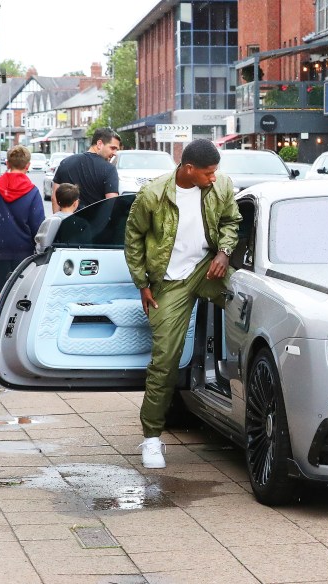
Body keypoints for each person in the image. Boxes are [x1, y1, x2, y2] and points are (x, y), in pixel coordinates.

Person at [124, 139, 241, 469]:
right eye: (208, 173)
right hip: (169, 281)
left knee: (248, 296)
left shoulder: (222, 187)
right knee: (165, 358)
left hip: (208, 266)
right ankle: (151, 439)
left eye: (216, 172)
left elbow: (232, 222)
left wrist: (224, 252)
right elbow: (132, 238)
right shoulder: (154, 195)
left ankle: (240, 378)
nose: (214, 178)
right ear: (188, 169)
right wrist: (143, 284)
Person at [0, 145, 45, 307]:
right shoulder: (32, 192)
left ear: (7, 164)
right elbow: (38, 226)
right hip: (24, 251)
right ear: (28, 165)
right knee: (21, 294)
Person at [52, 127, 120, 212]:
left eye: (116, 149)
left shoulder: (65, 163)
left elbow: (55, 197)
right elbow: (112, 203)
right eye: (112, 148)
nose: (115, 153)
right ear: (99, 144)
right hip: (94, 223)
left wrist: (58, 221)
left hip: (68, 222)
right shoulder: (109, 169)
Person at [34, 183, 79, 253]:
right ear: (76, 203)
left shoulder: (49, 221)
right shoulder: (82, 223)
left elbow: (40, 245)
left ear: (58, 202)